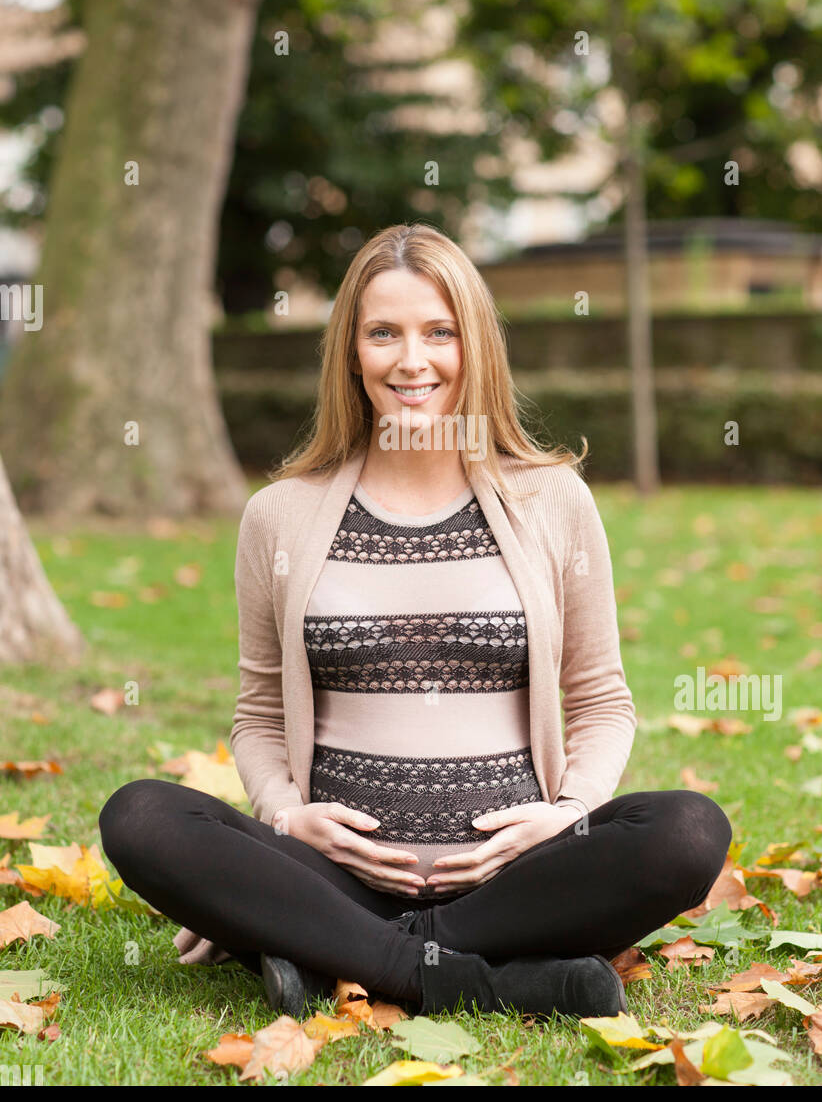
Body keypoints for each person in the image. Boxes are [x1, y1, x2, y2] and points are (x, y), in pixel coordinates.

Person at [98, 222, 732, 1020]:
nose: (412, 360)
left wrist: (566, 817)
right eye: (383, 333)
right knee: (143, 815)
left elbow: (602, 699)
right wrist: (286, 816)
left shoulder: (551, 500)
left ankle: (333, 949)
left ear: (476, 346)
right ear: (351, 352)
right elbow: (258, 715)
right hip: (332, 873)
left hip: (513, 876)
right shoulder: (278, 516)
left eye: (440, 332)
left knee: (687, 830)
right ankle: (474, 976)